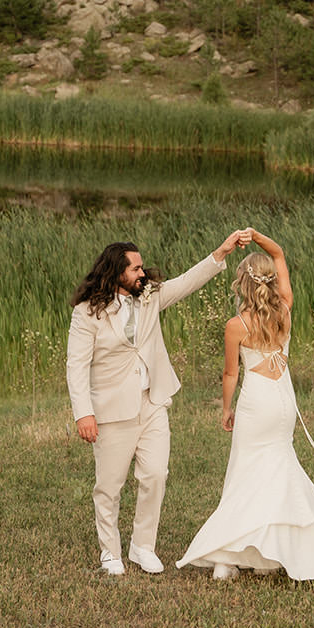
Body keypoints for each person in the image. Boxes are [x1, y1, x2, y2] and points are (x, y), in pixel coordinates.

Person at [67, 229, 250, 576]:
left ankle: (142, 546)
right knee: (109, 485)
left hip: (152, 402)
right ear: (116, 272)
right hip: (111, 409)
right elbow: (75, 365)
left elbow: (186, 282)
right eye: (135, 268)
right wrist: (83, 414)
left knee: (156, 474)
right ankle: (110, 553)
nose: (142, 272)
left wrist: (222, 251)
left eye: (141, 267)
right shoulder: (88, 312)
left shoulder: (149, 297)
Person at [176, 228, 314, 581]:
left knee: (244, 473)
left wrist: (225, 409)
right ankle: (270, 554)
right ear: (268, 282)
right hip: (283, 401)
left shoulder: (236, 326)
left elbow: (230, 375)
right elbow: (279, 254)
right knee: (277, 469)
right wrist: (258, 236)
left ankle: (227, 558)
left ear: (243, 284)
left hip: (257, 402)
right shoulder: (284, 309)